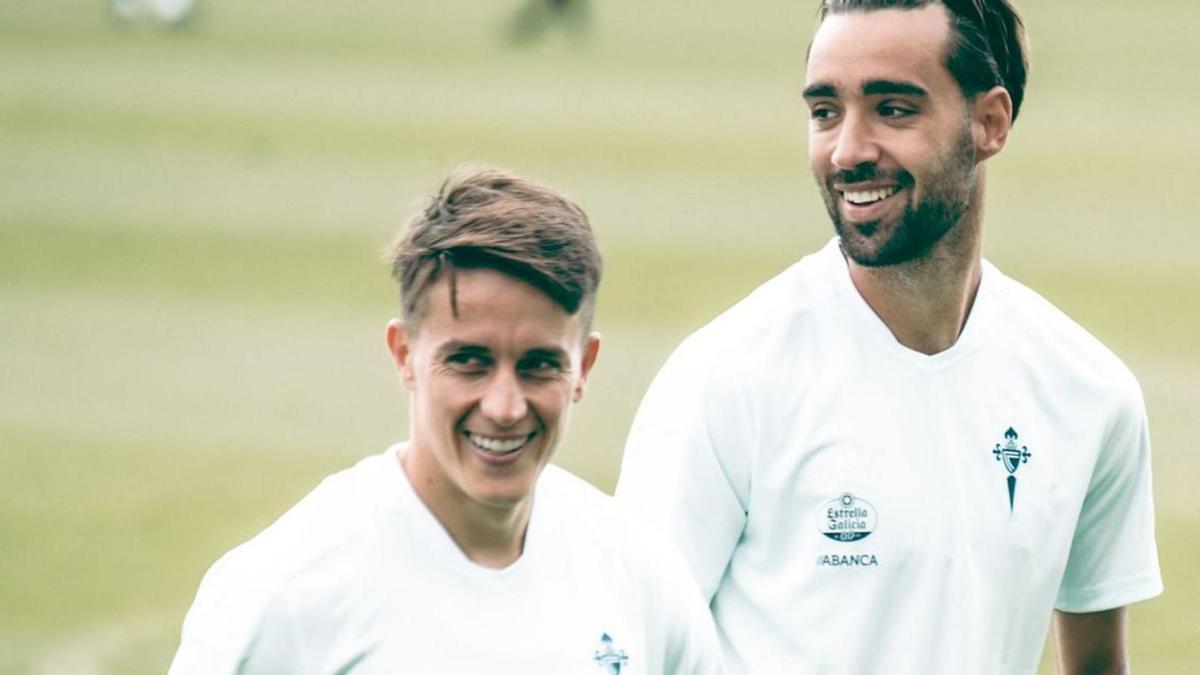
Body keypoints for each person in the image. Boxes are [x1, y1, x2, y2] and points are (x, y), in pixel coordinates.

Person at [615, 1, 1162, 673]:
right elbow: (626, 649)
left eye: (893, 109)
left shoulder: (1089, 391)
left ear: (990, 122)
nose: (847, 150)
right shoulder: (723, 377)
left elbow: (1100, 664)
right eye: (825, 111)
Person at [170, 167, 722, 674]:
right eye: (468, 362)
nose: (504, 407)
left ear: (584, 367)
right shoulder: (285, 593)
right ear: (404, 354)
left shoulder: (640, 577)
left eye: (539, 365)